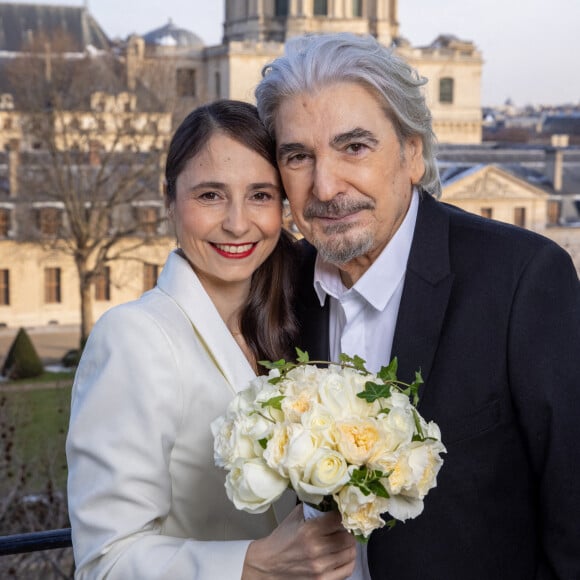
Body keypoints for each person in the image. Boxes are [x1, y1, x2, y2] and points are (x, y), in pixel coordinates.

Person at [255, 33, 580, 580]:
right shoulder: (279, 290)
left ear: (412, 153)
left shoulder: (524, 279)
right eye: (298, 156)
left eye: (354, 147)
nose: (326, 185)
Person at [66, 100, 357, 579]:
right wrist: (252, 565)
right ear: (169, 202)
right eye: (210, 196)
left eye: (260, 195)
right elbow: (105, 563)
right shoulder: (134, 339)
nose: (238, 223)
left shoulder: (300, 323)